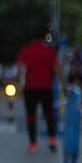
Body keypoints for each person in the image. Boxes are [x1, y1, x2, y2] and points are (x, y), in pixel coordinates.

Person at [17, 26, 62, 154]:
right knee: (49, 115)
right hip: (46, 88)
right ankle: (52, 140)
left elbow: (20, 69)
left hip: (30, 88)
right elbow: (57, 69)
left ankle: (32, 144)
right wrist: (63, 84)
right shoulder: (49, 51)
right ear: (43, 37)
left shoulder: (26, 50)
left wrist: (19, 84)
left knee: (31, 116)